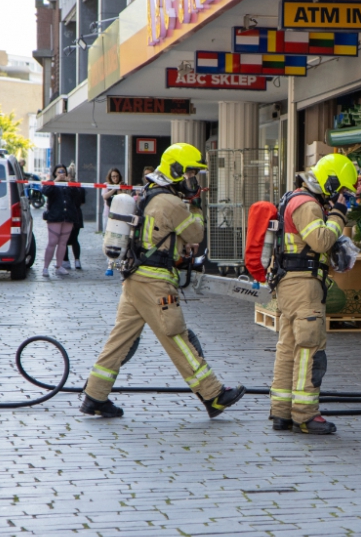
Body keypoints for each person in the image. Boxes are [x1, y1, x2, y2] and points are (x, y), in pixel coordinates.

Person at [81, 143, 245, 419]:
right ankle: (213, 394)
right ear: (178, 171)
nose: (194, 180)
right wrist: (196, 208)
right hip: (154, 283)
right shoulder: (171, 202)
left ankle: (94, 396)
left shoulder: (149, 193)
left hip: (135, 279)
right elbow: (195, 234)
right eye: (191, 174)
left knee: (119, 341)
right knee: (176, 336)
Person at [268, 153, 356, 435]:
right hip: (304, 285)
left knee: (288, 348)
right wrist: (339, 213)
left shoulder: (293, 197)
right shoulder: (307, 205)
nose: (341, 195)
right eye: (340, 189)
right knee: (309, 349)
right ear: (330, 182)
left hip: (289, 284)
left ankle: (281, 412)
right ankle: (305, 415)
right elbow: (320, 241)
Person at [41, 164, 79, 276]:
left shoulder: (69, 183)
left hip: (68, 216)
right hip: (55, 216)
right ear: (55, 173)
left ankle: (59, 265)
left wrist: (71, 183)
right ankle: (45, 267)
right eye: (59, 172)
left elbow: (77, 195)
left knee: (63, 243)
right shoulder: (51, 182)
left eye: (63, 171)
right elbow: (46, 192)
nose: (61, 174)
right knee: (52, 242)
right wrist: (55, 181)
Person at [102, 169, 124, 277]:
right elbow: (105, 196)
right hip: (109, 216)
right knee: (109, 241)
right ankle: (110, 265)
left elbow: (122, 198)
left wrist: (119, 187)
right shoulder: (107, 185)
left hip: (120, 217)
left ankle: (121, 267)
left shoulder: (122, 185)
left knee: (121, 242)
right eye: (113, 176)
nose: (115, 178)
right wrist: (114, 188)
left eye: (117, 176)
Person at [61, 185, 85, 270]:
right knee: (65, 239)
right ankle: (68, 260)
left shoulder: (78, 188)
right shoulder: (57, 185)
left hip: (73, 215)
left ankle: (74, 260)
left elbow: (81, 201)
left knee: (72, 238)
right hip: (66, 215)